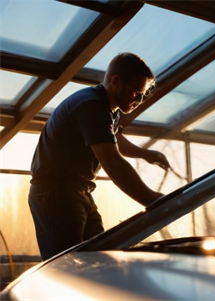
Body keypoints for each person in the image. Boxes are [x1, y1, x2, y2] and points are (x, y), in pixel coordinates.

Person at [28, 52, 170, 260]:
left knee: (97, 258)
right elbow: (112, 162)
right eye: (136, 93)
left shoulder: (109, 108)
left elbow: (114, 140)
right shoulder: (90, 105)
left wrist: (145, 154)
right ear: (116, 81)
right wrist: (151, 199)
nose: (139, 100)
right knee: (66, 267)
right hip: (55, 194)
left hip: (77, 191)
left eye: (142, 95)